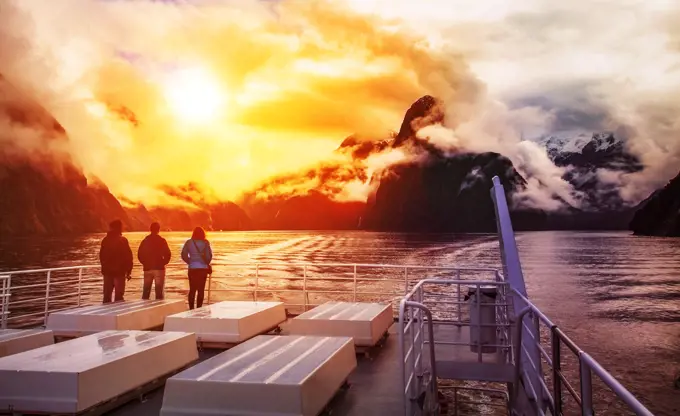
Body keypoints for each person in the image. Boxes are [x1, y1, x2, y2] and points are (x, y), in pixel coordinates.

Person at [99, 219, 133, 303]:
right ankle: (116, 314)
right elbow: (128, 257)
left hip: (107, 272)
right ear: (119, 228)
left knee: (106, 297)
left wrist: (104, 267)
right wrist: (128, 271)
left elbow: (101, 256)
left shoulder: (105, 240)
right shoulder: (123, 240)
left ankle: (105, 314)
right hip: (120, 272)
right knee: (119, 297)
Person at [181, 227, 213, 309]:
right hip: (203, 269)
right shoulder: (206, 243)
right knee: (201, 290)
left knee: (192, 290)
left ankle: (191, 309)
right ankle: (199, 309)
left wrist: (190, 261)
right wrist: (205, 263)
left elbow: (183, 254)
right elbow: (209, 256)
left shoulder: (189, 242)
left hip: (192, 269)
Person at [137, 222, 171, 300]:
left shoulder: (145, 240)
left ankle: (144, 309)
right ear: (158, 230)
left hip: (147, 268)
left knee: (146, 292)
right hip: (159, 268)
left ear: (150, 229)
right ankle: (159, 310)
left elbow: (139, 254)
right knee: (159, 293)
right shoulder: (162, 240)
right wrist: (163, 263)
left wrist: (145, 263)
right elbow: (168, 254)